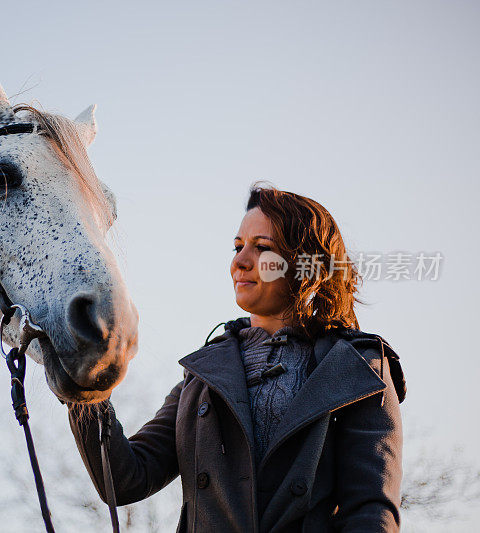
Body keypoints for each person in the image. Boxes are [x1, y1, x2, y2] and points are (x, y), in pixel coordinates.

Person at [67, 183, 405, 532]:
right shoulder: (203, 375)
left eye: (262, 248)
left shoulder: (357, 367)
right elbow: (124, 479)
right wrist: (85, 385)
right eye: (237, 246)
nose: (240, 262)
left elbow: (371, 511)